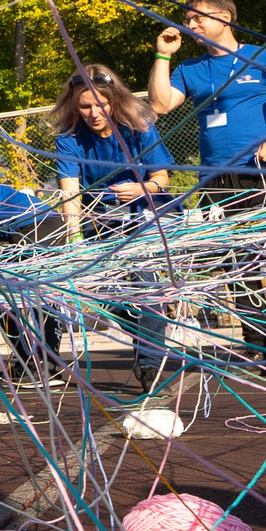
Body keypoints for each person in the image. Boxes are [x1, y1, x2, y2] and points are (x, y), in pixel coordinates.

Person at [147, 0, 266, 365]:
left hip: (265, 173)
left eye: (199, 17)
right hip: (217, 179)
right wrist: (163, 55)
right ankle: (260, 343)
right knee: (239, 262)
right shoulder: (191, 69)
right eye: (188, 19)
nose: (191, 24)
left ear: (227, 17)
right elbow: (159, 104)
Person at [48, 64, 176, 380]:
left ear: (113, 99)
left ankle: (148, 366)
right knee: (106, 294)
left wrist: (141, 188)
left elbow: (162, 178)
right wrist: (75, 239)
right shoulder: (69, 138)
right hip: (97, 220)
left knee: (148, 286)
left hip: (141, 217)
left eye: (100, 103)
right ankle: (147, 335)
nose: (93, 112)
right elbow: (70, 193)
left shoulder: (141, 127)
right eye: (85, 106)